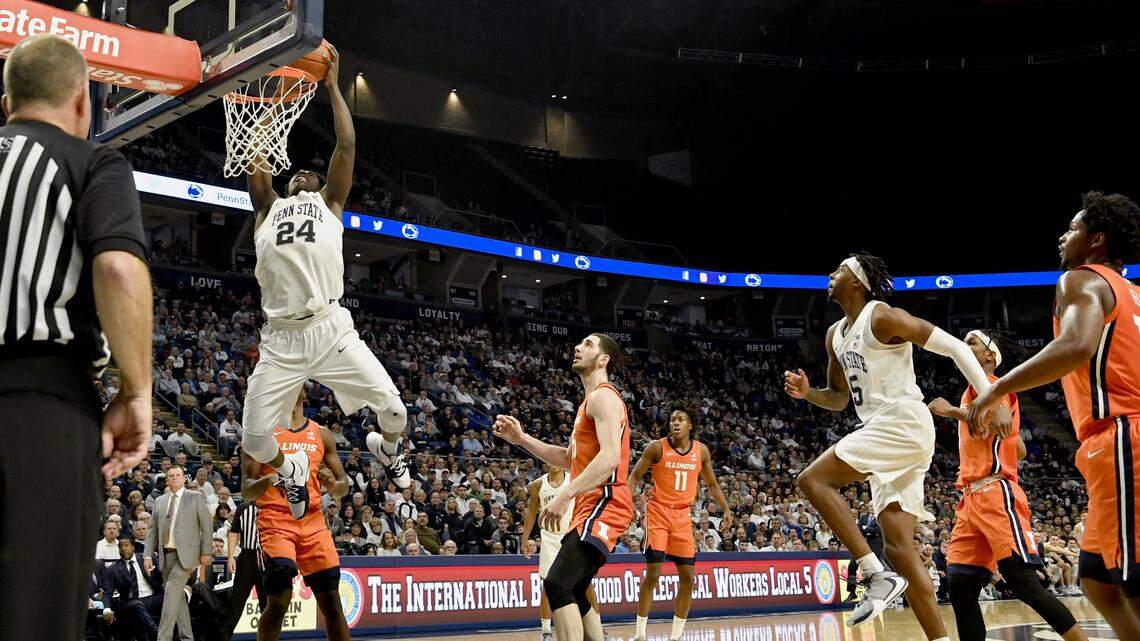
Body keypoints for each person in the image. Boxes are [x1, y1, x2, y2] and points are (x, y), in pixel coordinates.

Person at [0, 34, 152, 641]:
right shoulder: (93, 163)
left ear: (6, 100)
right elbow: (117, 269)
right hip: (40, 410)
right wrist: (136, 390)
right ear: (84, 103)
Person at [784, 253, 1008, 640]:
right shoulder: (835, 334)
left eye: (839, 269)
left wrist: (993, 397)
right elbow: (838, 398)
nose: (830, 274)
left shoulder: (882, 316)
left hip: (902, 420)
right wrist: (808, 395)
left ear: (857, 281)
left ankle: (874, 573)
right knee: (901, 548)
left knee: (812, 481)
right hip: (885, 428)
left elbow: (955, 347)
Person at [241, 42, 409, 521]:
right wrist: (264, 105)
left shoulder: (331, 205)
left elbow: (346, 145)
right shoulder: (267, 208)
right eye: (297, 173)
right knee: (253, 439)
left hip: (331, 328)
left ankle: (389, 449)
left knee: (396, 413)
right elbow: (258, 160)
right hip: (282, 339)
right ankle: (290, 472)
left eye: (311, 174)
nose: (304, 174)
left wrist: (333, 87)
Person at [967, 193, 1140, 637]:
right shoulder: (1133, 293)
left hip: (1122, 436)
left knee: (1134, 580)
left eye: (1073, 228)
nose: (1064, 236)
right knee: (1097, 581)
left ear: (1096, 239)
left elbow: (1076, 345)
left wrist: (999, 388)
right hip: (1115, 439)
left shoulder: (1080, 279)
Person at [928, 330, 1087, 641]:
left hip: (995, 492)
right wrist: (1008, 436)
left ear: (990, 356)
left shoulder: (994, 387)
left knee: (1022, 580)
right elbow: (1020, 448)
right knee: (960, 583)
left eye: (972, 342)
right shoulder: (974, 390)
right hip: (970, 498)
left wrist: (951, 412)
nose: (964, 345)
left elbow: (989, 422)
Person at [496, 333, 633, 641]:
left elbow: (610, 457)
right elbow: (569, 459)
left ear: (603, 359)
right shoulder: (589, 402)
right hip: (591, 504)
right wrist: (522, 440)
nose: (577, 347)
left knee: (557, 584)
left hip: (605, 500)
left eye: (587, 344)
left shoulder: (604, 397)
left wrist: (565, 494)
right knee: (576, 588)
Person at [238, 390, 352, 641]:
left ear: (303, 390)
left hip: (313, 523)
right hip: (276, 522)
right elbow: (247, 490)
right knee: (280, 599)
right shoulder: (261, 433)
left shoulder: (322, 434)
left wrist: (332, 484)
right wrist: (271, 479)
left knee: (332, 602)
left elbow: (343, 485)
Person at [628, 403, 732, 641]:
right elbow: (634, 475)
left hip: (683, 516)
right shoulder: (656, 448)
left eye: (681, 419)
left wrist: (726, 509)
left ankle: (676, 636)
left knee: (688, 578)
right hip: (658, 513)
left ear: (690, 425)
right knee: (653, 575)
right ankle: (640, 634)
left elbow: (713, 484)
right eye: (673, 419)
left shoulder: (701, 451)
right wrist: (629, 503)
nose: (675, 422)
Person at [522, 466, 609, 641]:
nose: (552, 463)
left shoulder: (575, 479)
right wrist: (525, 538)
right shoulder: (538, 485)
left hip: (571, 535)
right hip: (549, 538)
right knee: (548, 585)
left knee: (585, 586)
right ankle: (546, 631)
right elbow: (532, 511)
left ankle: (599, 628)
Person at [144, 464, 213, 641]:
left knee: (170, 594)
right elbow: (152, 531)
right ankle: (187, 637)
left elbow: (207, 526)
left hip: (187, 556)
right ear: (167, 480)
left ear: (184, 478)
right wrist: (147, 555)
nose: (174, 477)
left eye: (177, 475)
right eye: (171, 475)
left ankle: (163, 638)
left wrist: (205, 552)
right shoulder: (159, 501)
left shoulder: (195, 497)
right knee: (177, 597)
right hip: (165, 556)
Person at [220, 500, 266, 641]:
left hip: (267, 558)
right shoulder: (243, 507)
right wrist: (230, 557)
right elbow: (234, 532)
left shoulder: (272, 505)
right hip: (247, 557)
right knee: (237, 601)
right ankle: (224, 636)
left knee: (267, 603)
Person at [101, 539, 164, 641]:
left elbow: (162, 577)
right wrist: (106, 609)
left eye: (126, 545)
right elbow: (107, 592)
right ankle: (158, 635)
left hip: (151, 598)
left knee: (173, 597)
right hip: (130, 602)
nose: (123, 549)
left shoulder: (147, 559)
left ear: (133, 547)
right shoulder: (112, 569)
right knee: (137, 604)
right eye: (120, 547)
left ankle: (180, 635)